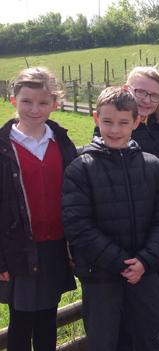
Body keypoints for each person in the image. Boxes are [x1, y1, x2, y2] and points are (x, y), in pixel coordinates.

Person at [62, 87, 159, 351]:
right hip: (100, 277)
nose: (114, 130)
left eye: (123, 122)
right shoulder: (81, 168)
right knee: (105, 341)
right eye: (108, 122)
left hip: (144, 275)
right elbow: (78, 225)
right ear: (96, 118)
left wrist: (145, 261)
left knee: (145, 338)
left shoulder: (153, 166)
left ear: (137, 121)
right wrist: (121, 263)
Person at [0, 67, 76, 351]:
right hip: (18, 247)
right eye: (26, 101)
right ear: (13, 100)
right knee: (21, 319)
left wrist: (73, 247)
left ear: (55, 103)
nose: (35, 109)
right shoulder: (3, 148)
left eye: (43, 102)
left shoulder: (62, 143)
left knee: (47, 316)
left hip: (55, 246)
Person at [95, 66, 159, 242]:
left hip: (158, 219)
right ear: (126, 89)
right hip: (123, 223)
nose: (147, 100)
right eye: (141, 92)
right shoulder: (115, 133)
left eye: (154, 96)